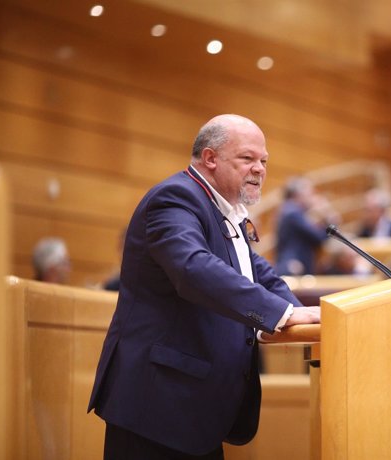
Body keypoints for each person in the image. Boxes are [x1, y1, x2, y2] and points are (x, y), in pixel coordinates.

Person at [88, 114, 321, 460]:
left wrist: (299, 317)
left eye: (264, 161)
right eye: (247, 159)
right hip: (156, 405)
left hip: (193, 408)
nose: (259, 169)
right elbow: (193, 268)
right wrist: (281, 314)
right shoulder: (175, 199)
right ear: (210, 158)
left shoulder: (225, 210)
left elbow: (257, 273)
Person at [274, 176, 338, 276]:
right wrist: (331, 221)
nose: (311, 197)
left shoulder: (288, 210)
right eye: (309, 193)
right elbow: (318, 237)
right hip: (295, 266)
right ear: (298, 194)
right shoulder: (293, 212)